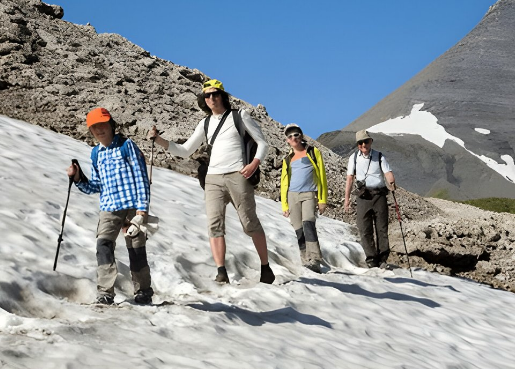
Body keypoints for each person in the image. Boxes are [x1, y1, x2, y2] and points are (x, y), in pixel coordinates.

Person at [147, 79, 275, 284]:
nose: (211, 98)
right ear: (203, 99)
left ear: (222, 96)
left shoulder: (239, 116)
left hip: (238, 174)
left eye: (215, 94)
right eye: (207, 95)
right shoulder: (204, 123)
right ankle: (221, 271)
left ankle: (265, 267)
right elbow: (186, 150)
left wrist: (254, 164)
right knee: (214, 224)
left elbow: (262, 143)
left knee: (249, 224)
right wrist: (160, 140)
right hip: (213, 178)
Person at [67, 107, 154, 305]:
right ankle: (105, 292)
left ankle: (143, 291)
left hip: (133, 206)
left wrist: (142, 209)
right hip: (109, 207)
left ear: (111, 125)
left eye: (103, 125)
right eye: (95, 127)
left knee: (136, 248)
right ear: (91, 131)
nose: (99, 130)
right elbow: (96, 185)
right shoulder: (96, 153)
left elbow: (142, 178)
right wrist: (78, 177)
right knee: (103, 245)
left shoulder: (126, 145)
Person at [343, 130, 397, 269]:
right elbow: (350, 178)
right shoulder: (353, 158)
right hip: (363, 196)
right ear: (357, 144)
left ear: (371, 141)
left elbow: (387, 172)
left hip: (379, 195)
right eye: (360, 143)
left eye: (366, 141)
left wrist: (391, 181)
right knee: (364, 229)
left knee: (381, 228)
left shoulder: (379, 156)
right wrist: (346, 199)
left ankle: (383, 258)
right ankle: (371, 258)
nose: (363, 145)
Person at [279, 123, 328, 272]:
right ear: (287, 140)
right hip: (292, 196)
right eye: (290, 136)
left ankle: (315, 259)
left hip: (308, 194)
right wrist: (284, 205)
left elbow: (322, 176)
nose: (293, 137)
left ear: (301, 136)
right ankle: (305, 259)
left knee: (308, 224)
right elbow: (283, 182)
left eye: (296, 134)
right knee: (298, 229)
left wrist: (322, 200)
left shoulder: (313, 152)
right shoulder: (288, 158)